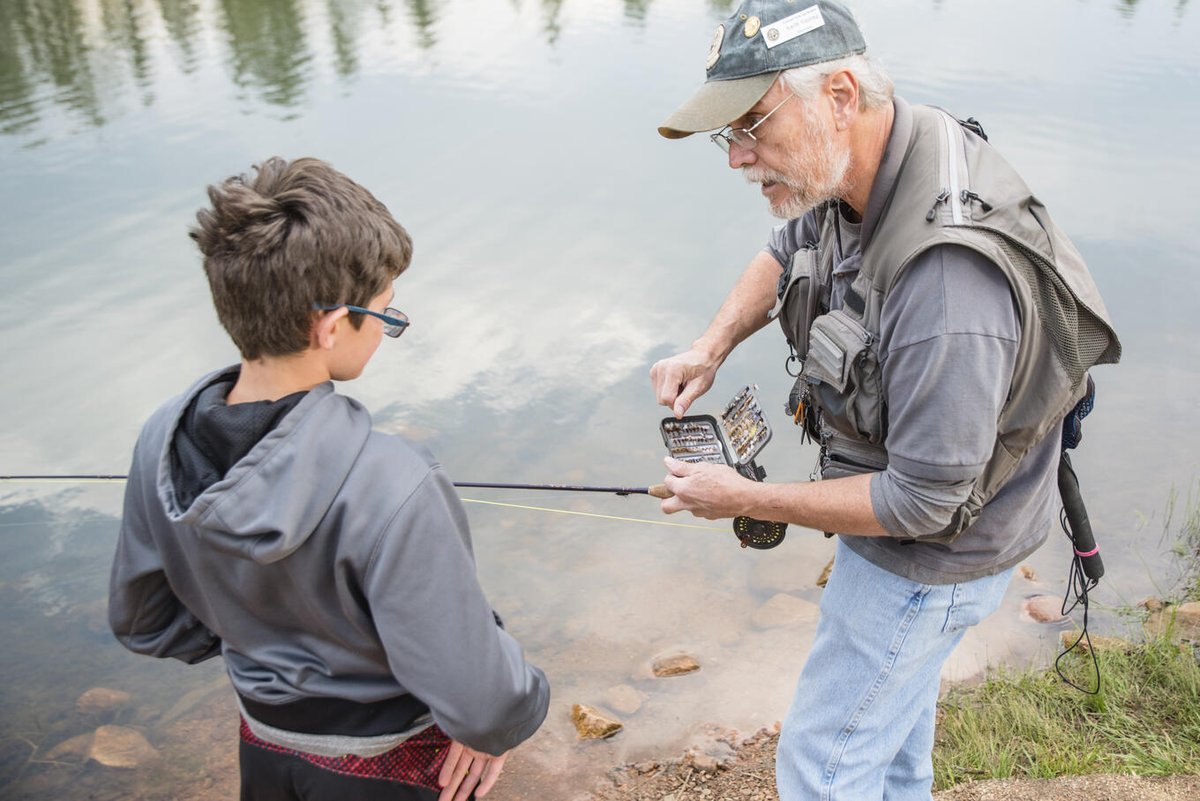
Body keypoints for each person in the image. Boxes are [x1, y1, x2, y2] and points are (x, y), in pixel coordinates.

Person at [649, 2, 1119, 799]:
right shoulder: (865, 154)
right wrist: (713, 342)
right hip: (935, 530)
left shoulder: (946, 284)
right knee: (894, 752)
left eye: (751, 126)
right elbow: (787, 247)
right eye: (725, 136)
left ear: (838, 94)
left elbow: (925, 500)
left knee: (821, 766)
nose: (737, 157)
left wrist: (748, 496)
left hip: (929, 560)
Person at [108, 157, 550, 801]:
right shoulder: (394, 481)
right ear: (332, 325)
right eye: (386, 315)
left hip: (263, 748)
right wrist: (514, 707)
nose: (387, 330)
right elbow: (483, 703)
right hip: (390, 770)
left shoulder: (159, 438)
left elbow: (144, 622)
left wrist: (263, 644)